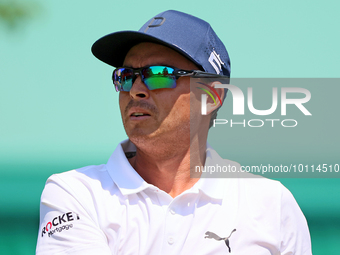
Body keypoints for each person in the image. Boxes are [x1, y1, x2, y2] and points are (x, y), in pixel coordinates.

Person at [36, 10, 312, 254]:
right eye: (125, 75)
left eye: (158, 74)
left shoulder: (271, 204)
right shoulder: (77, 193)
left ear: (211, 97)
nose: (135, 89)